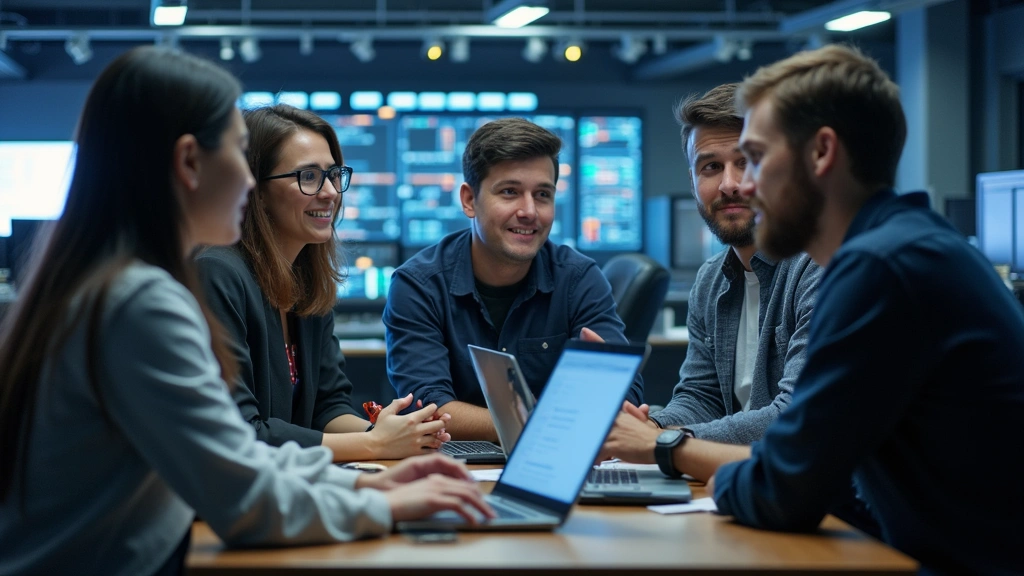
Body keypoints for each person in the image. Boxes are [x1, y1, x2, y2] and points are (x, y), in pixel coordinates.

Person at [0, 46, 491, 576]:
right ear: (190, 162)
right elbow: (243, 498)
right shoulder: (141, 302)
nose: (248, 180)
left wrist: (365, 481)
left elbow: (235, 455)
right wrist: (385, 504)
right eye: (239, 153)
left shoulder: (111, 282)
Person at [669, 45, 1022, 574]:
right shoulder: (901, 247)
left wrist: (729, 474)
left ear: (821, 154)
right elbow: (824, 470)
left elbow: (787, 482)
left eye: (758, 158)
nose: (743, 185)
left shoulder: (881, 269)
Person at [197, 104, 449, 462]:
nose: (331, 191)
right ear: (257, 190)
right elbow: (238, 432)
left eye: (333, 174)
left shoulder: (306, 280)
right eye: (309, 176)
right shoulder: (217, 274)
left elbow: (328, 408)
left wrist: (395, 433)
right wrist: (375, 444)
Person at [596, 84, 820, 470]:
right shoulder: (711, 279)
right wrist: (647, 425)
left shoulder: (817, 265)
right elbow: (702, 397)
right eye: (711, 167)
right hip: (743, 483)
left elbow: (796, 414)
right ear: (693, 180)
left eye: (747, 162)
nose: (729, 184)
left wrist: (661, 442)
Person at [384, 117, 643, 441]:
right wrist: (550, 422)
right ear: (469, 200)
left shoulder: (579, 279)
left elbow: (625, 397)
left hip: (560, 469)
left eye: (543, 194)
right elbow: (428, 410)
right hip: (453, 472)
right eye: (510, 192)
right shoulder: (419, 285)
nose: (529, 211)